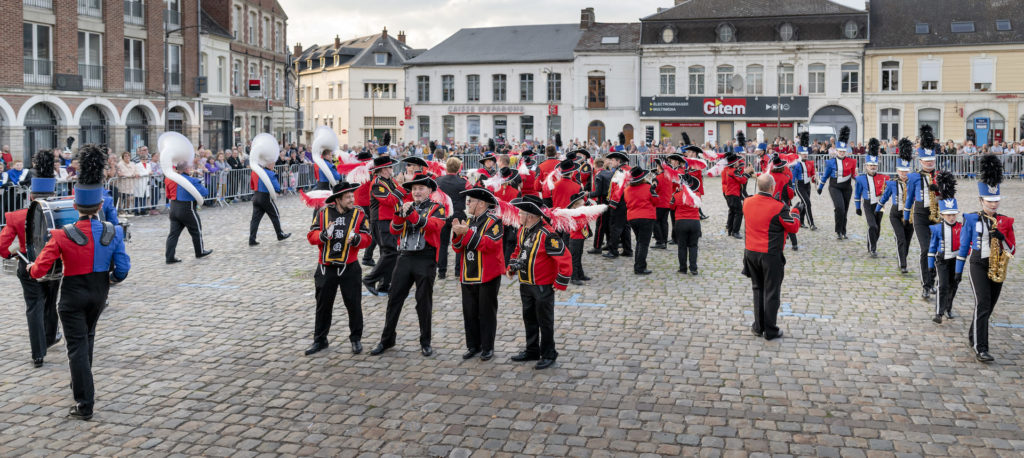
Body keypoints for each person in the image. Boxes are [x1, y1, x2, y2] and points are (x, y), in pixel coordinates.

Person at [28, 144, 131, 421]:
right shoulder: (113, 230)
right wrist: (110, 279)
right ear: (100, 205)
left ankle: (84, 403)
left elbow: (39, 271)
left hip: (72, 296)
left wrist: (31, 266)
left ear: (74, 206)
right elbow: (122, 270)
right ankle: (79, 383)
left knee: (76, 348)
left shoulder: (61, 235)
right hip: (99, 293)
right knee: (88, 339)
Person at [370, 173, 446, 357]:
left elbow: (433, 226)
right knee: (394, 299)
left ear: (429, 190)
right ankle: (387, 339)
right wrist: (399, 214)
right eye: (414, 189)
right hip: (404, 257)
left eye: (421, 188)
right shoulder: (405, 205)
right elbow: (394, 230)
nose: (417, 192)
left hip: (426, 258)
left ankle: (425, 341)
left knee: (423, 302)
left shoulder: (438, 208)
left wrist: (410, 214)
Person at [0, 150, 61, 368]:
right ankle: (50, 337)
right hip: (53, 263)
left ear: (31, 196)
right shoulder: (60, 212)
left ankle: (38, 353)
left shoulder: (16, 216)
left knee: (33, 306)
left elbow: (2, 244)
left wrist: (10, 254)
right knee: (50, 302)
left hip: (27, 264)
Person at [956, 155, 1015, 363]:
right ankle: (981, 347)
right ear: (981, 200)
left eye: (996, 201)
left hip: (996, 267)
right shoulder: (971, 218)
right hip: (978, 265)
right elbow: (963, 246)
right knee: (982, 302)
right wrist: (957, 271)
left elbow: (1013, 248)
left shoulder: (1006, 221)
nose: (993, 204)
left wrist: (1003, 237)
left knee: (988, 307)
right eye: (989, 201)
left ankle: (973, 334)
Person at [305, 181, 372, 356]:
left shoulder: (359, 213)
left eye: (352, 196)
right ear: (337, 199)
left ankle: (356, 339)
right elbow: (311, 236)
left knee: (354, 305)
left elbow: (368, 238)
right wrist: (323, 235)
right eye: (348, 197)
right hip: (326, 268)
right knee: (323, 306)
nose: (352, 199)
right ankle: (320, 340)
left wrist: (358, 239)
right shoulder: (323, 213)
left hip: (350, 267)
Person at [507, 195, 572, 370]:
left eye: (521, 213)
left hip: (542, 285)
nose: (518, 215)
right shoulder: (522, 230)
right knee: (529, 318)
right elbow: (518, 251)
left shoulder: (548, 234)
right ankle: (532, 350)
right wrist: (512, 266)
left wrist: (560, 282)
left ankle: (549, 353)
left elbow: (565, 259)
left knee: (545, 321)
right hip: (525, 283)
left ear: (530, 216)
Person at [742, 174, 801, 341]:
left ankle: (758, 326)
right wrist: (795, 211)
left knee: (757, 289)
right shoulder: (778, 206)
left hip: (751, 252)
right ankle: (770, 329)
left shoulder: (747, 202)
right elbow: (793, 227)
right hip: (770, 253)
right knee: (772, 292)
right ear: (771, 188)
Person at [451, 188, 504, 361]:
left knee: (486, 312)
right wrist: (457, 234)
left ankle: (487, 347)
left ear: (481, 203)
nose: (468, 204)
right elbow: (458, 248)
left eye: (470, 201)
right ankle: (473, 345)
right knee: (469, 312)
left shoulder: (494, 221)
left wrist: (466, 233)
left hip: (487, 274)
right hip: (468, 272)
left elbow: (490, 245)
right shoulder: (469, 220)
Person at [905, 125, 941, 300]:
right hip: (920, 215)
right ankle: (926, 285)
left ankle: (933, 280)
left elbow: (951, 197)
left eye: (931, 162)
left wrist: (940, 191)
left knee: (938, 251)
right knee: (926, 249)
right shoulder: (913, 177)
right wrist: (906, 216)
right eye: (926, 162)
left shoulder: (941, 175)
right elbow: (909, 198)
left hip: (937, 216)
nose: (929, 164)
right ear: (920, 161)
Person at [362, 156, 402, 295]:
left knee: (389, 252)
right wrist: (402, 189)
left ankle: (384, 284)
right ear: (384, 169)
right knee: (391, 252)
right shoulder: (377, 183)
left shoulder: (390, 181)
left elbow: (401, 195)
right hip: (381, 221)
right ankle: (370, 279)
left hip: (390, 221)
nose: (392, 169)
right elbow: (390, 200)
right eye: (390, 167)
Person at [164, 149, 213, 263]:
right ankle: (199, 252)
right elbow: (205, 192)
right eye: (190, 167)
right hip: (187, 208)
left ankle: (169, 257)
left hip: (174, 207)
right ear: (186, 169)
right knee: (196, 230)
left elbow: (167, 194)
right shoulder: (192, 180)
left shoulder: (169, 179)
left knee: (173, 234)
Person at [876, 139, 916, 273]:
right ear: (897, 171)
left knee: (907, 240)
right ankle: (903, 264)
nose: (904, 174)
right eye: (901, 171)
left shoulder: (913, 183)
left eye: (906, 171)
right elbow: (885, 196)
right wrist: (877, 209)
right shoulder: (892, 183)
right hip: (896, 214)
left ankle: (902, 257)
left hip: (909, 214)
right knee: (901, 239)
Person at [927, 171, 960, 324]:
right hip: (942, 260)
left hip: (956, 260)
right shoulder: (936, 229)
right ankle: (939, 313)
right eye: (948, 215)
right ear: (942, 215)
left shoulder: (961, 227)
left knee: (953, 285)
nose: (951, 217)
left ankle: (948, 307)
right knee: (943, 285)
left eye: (953, 214)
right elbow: (932, 248)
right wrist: (929, 266)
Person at [817, 126, 856, 240]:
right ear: (836, 151)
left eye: (844, 151)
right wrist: (820, 186)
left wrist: (863, 183)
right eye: (840, 151)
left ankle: (843, 230)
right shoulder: (830, 162)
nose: (842, 153)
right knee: (840, 208)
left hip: (847, 187)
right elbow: (825, 175)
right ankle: (838, 230)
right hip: (834, 187)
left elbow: (854, 175)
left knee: (845, 210)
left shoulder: (852, 161)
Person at [854, 140, 887, 257]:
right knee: (872, 225)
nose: (872, 167)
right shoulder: (860, 179)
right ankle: (873, 248)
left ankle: (871, 242)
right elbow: (857, 194)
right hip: (868, 204)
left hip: (879, 204)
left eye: (874, 165)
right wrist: (857, 207)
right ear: (866, 166)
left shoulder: (883, 177)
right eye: (870, 165)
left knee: (877, 228)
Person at [436, 157, 468, 279]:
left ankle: (442, 271)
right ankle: (458, 270)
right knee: (459, 243)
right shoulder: (463, 181)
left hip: (443, 214)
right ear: (459, 167)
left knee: (443, 244)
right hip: (458, 214)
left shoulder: (438, 180)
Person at [624, 167, 657, 275]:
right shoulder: (648, 187)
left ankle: (638, 265)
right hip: (646, 217)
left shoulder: (627, 189)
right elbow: (655, 201)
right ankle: (640, 267)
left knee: (639, 241)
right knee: (643, 243)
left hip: (633, 218)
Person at [248, 160, 290, 246]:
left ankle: (252, 239)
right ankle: (280, 234)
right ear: (269, 164)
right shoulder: (270, 173)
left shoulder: (254, 172)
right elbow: (277, 187)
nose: (274, 165)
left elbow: (252, 185)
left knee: (255, 220)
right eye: (273, 163)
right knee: (275, 215)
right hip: (265, 197)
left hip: (256, 196)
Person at [603, 152, 633, 259]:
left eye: (613, 160)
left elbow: (618, 189)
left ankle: (613, 250)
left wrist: (613, 203)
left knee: (615, 227)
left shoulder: (621, 171)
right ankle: (627, 249)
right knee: (625, 227)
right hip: (626, 202)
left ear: (618, 161)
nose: (611, 162)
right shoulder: (627, 169)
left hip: (619, 203)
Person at [672, 174, 702, 275]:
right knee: (693, 246)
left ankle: (682, 268)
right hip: (694, 222)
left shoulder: (677, 195)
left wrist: (675, 193)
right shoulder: (697, 194)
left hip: (681, 222)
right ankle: (693, 268)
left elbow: (671, 207)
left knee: (682, 246)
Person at [790, 133, 817, 230]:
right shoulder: (796, 164)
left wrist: (814, 179)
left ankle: (799, 219)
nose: (805, 155)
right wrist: (792, 189)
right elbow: (793, 178)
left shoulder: (810, 163)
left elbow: (812, 175)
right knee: (807, 203)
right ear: (799, 154)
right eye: (803, 153)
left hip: (807, 185)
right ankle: (811, 224)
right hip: (799, 185)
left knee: (804, 203)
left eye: (806, 153)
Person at [722, 153, 751, 239]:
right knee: (739, 212)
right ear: (734, 163)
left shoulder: (729, 170)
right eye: (737, 162)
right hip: (734, 195)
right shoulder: (734, 171)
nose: (739, 163)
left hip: (729, 194)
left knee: (732, 212)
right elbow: (742, 180)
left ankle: (730, 230)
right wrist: (748, 174)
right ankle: (735, 231)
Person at [588, 158, 613, 254]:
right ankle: (609, 243)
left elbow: (597, 192)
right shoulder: (609, 173)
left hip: (602, 200)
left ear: (595, 165)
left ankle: (597, 246)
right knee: (607, 224)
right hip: (609, 200)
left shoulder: (598, 175)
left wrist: (588, 194)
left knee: (600, 224)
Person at [652, 159, 675, 249]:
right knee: (664, 222)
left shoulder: (658, 178)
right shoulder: (668, 176)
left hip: (660, 203)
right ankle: (664, 241)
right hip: (667, 203)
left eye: (657, 166)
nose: (656, 168)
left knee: (655, 222)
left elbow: (654, 190)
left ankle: (659, 241)